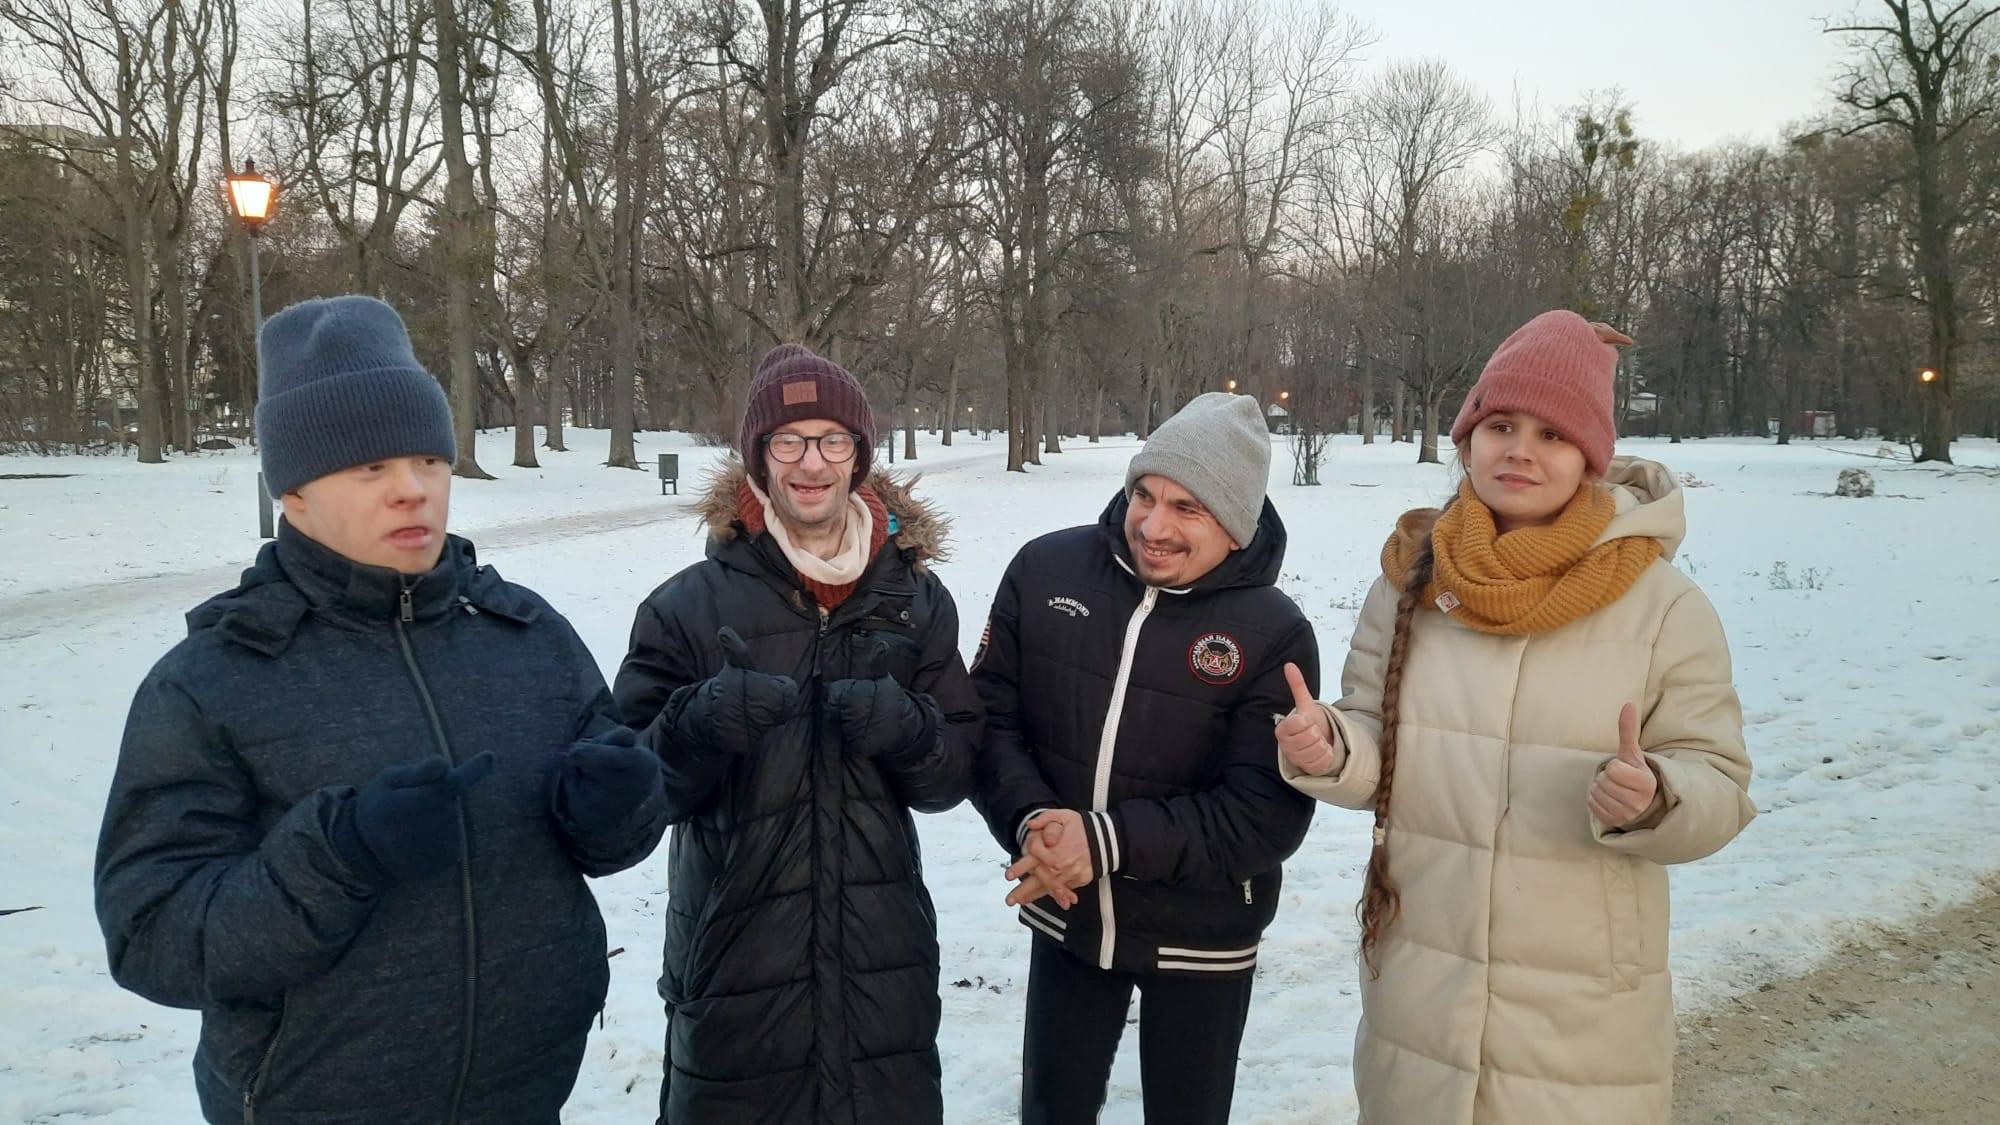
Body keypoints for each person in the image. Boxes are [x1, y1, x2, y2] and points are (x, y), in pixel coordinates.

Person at [94, 295, 668, 1124]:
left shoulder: (527, 634)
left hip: (526, 1089)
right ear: (294, 493)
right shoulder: (213, 679)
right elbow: (151, 934)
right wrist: (340, 853)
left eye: (429, 460)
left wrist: (619, 805)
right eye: (370, 468)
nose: (412, 491)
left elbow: (608, 841)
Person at [1275, 310, 1757, 1123]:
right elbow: (1376, 743)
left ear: (1590, 456)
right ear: (1467, 439)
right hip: (1422, 994)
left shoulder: (1664, 605)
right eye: (1500, 425)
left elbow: (1721, 784)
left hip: (1581, 1021)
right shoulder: (1409, 582)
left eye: (1553, 434)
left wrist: (1656, 797)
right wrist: (1331, 747)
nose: (1520, 450)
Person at [613, 343, 980, 1124]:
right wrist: (695, 726)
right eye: (788, 441)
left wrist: (908, 728)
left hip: (882, 975)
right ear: (759, 456)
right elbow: (624, 794)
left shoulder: (916, 601)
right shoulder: (684, 608)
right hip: (735, 975)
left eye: (832, 440)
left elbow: (953, 774)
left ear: (859, 454)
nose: (811, 462)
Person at [971, 392, 1319, 1125]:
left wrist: (1103, 842)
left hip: (1203, 937)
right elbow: (991, 720)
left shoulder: (1274, 632)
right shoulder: (1046, 572)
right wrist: (1033, 821)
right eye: (1144, 495)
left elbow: (1261, 816)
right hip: (1067, 911)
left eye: (1188, 507)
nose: (1154, 527)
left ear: (1236, 522)